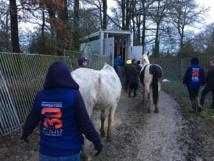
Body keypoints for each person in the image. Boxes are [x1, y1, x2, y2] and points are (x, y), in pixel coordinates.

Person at [21, 61, 103, 161]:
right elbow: (85, 123)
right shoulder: (74, 95)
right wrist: (96, 141)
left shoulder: (40, 96)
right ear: (67, 76)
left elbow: (32, 118)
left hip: (46, 153)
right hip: (69, 153)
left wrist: (26, 132)